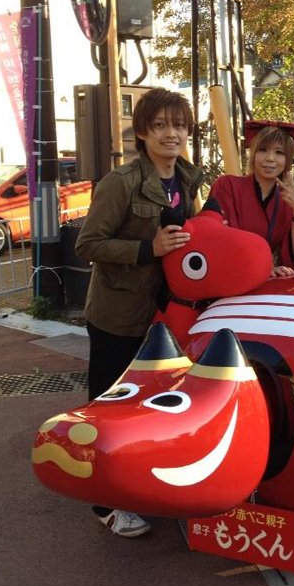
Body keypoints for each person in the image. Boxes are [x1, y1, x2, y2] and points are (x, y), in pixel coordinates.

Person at [76, 87, 202, 536]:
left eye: (180, 125)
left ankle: (142, 482)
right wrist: (148, 248)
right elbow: (87, 244)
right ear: (144, 131)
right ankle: (103, 502)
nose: (172, 134)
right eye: (162, 125)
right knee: (109, 405)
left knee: (152, 404)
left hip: (164, 315)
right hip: (118, 313)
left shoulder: (187, 179)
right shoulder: (122, 182)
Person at [209, 120, 294, 276]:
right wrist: (262, 267)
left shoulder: (286, 202)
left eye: (279, 152)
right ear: (253, 154)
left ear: (287, 160)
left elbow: (293, 262)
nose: (270, 158)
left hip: (266, 281)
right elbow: (221, 238)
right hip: (229, 276)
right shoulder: (226, 185)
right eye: (263, 150)